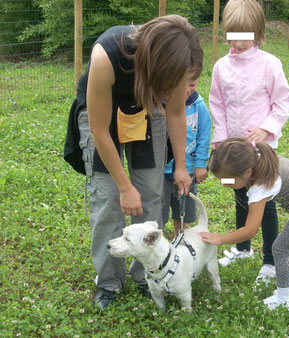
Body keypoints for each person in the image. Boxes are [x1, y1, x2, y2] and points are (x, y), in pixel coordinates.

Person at [63, 15, 203, 309]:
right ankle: (109, 284)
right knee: (108, 199)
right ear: (158, 64)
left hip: (146, 108)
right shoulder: (107, 55)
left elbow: (176, 113)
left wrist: (180, 165)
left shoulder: (177, 63)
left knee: (152, 195)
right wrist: (124, 186)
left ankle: (145, 275)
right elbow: (100, 132)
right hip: (103, 117)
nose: (179, 86)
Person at [199, 138, 289, 311]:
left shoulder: (262, 186)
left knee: (281, 249)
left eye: (227, 180)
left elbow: (250, 230)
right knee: (288, 244)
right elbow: (236, 181)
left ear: (248, 172)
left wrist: (221, 239)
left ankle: (283, 299)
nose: (224, 184)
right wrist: (224, 178)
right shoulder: (257, 157)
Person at [208, 0, 289, 283]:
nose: (238, 41)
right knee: (239, 195)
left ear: (258, 32)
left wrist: (265, 129)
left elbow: (281, 103)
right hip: (233, 149)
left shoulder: (270, 65)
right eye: (232, 34)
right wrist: (220, 139)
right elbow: (217, 104)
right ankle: (243, 248)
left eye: (245, 35)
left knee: (264, 204)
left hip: (262, 149)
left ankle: (270, 260)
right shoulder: (221, 67)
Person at [162, 78, 211, 239]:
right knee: (159, 210)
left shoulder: (199, 106)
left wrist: (200, 164)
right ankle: (158, 237)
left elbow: (204, 137)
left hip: (188, 170)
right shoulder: (161, 103)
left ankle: (179, 235)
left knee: (183, 207)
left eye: (192, 83)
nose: (186, 88)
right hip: (161, 171)